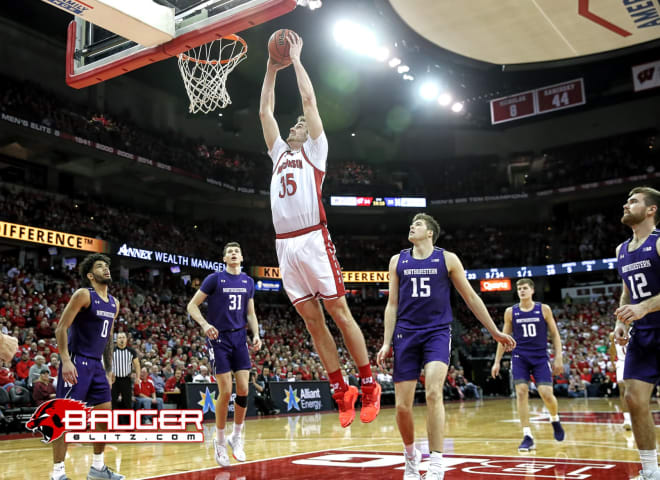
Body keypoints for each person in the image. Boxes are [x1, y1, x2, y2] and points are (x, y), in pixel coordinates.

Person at [259, 31, 381, 429]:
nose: (296, 126)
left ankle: (368, 383)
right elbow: (265, 113)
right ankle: (339, 388)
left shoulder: (315, 150)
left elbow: (309, 101)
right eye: (294, 125)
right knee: (312, 321)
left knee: (338, 311)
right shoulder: (279, 153)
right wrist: (270, 69)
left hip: (312, 237)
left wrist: (295, 60)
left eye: (299, 125)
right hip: (284, 247)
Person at [376, 213, 516, 480]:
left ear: (430, 233)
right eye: (411, 224)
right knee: (403, 406)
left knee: (432, 393)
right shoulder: (397, 261)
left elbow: (471, 298)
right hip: (405, 333)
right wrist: (386, 342)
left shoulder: (447, 258)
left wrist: (495, 331)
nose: (411, 227)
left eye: (417, 224)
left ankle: (437, 461)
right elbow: (392, 304)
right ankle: (410, 457)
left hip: (437, 332)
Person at [187, 242, 262, 467]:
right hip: (218, 338)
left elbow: (251, 312)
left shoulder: (248, 282)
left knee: (244, 389)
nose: (233, 254)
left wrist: (256, 334)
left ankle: (236, 437)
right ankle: (219, 441)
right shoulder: (214, 279)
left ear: (241, 257)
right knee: (226, 390)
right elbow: (192, 306)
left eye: (236, 251)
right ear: (224, 258)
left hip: (240, 338)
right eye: (229, 252)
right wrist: (204, 324)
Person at [52, 253, 123, 480]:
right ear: (91, 275)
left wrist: (109, 369)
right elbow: (61, 328)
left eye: (107, 266)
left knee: (104, 417)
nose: (106, 269)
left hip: (97, 366)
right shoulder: (84, 295)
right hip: (77, 361)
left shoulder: (114, 303)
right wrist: (65, 360)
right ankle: (57, 473)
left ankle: (98, 468)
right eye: (100, 267)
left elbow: (108, 339)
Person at [612, 187, 660, 480]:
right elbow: (627, 291)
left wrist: (644, 307)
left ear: (651, 209)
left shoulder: (659, 242)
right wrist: (622, 320)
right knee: (633, 399)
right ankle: (652, 472)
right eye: (627, 200)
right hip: (642, 333)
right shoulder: (621, 250)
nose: (626, 205)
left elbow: (640, 301)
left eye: (634, 202)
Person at [491, 278, 565, 453]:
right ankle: (527, 436)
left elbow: (555, 335)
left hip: (540, 357)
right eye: (519, 289)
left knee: (546, 394)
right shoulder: (511, 312)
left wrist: (559, 357)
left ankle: (554, 418)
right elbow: (503, 339)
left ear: (532, 291)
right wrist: (497, 361)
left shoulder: (544, 309)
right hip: (519, 356)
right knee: (521, 392)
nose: (521, 291)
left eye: (525, 288)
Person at [111, 332, 141, 424]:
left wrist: (138, 377)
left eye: (123, 337)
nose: (121, 339)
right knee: (113, 402)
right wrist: (108, 375)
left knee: (127, 402)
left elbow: (137, 365)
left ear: (126, 339)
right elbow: (107, 364)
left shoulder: (131, 351)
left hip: (126, 379)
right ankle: (114, 424)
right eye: (119, 337)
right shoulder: (112, 351)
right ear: (117, 340)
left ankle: (129, 424)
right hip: (114, 380)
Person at [608, 331, 632, 429]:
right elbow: (612, 349)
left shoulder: (634, 331)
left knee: (634, 392)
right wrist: (613, 361)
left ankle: (638, 417)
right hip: (621, 363)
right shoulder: (613, 334)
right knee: (623, 391)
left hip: (634, 362)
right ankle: (627, 419)